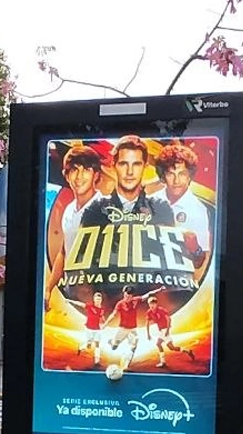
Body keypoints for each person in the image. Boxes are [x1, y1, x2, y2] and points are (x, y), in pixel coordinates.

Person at [44, 145, 105, 310]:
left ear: (96, 175)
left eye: (86, 170)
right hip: (72, 295)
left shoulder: (106, 208)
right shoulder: (69, 209)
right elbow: (64, 252)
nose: (79, 177)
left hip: (99, 297)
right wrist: (49, 288)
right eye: (74, 170)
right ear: (66, 175)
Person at [79, 135, 173, 231]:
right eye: (123, 164)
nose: (130, 172)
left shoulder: (161, 209)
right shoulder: (95, 211)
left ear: (145, 166)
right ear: (113, 165)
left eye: (136, 164)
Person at [152, 143, 213, 273]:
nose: (176, 181)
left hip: (178, 278)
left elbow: (199, 263)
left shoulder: (199, 210)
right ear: (163, 176)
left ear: (189, 176)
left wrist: (195, 248)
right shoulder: (149, 202)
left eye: (182, 174)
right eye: (171, 174)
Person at [106, 284, 166, 370]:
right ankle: (112, 342)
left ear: (132, 296)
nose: (127, 297)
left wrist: (159, 290)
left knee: (133, 346)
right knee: (114, 347)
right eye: (126, 294)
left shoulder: (136, 300)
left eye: (129, 295)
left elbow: (149, 294)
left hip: (133, 329)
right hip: (122, 329)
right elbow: (113, 314)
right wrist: (105, 323)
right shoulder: (120, 304)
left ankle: (126, 365)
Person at [144, 294, 194, 368]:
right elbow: (147, 323)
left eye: (153, 304)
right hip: (161, 330)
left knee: (162, 345)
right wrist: (148, 334)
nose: (152, 305)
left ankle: (163, 362)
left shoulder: (161, 310)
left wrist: (167, 330)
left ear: (156, 304)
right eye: (150, 304)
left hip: (165, 329)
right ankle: (187, 351)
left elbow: (168, 319)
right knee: (170, 347)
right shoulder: (149, 312)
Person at [66, 291, 108, 367]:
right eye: (97, 299)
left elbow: (101, 316)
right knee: (89, 345)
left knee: (97, 344)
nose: (98, 301)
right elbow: (80, 304)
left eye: (99, 299)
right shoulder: (90, 306)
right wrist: (70, 301)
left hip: (97, 329)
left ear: (101, 300)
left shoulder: (102, 309)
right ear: (94, 299)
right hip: (89, 329)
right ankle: (80, 347)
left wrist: (104, 322)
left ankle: (97, 361)